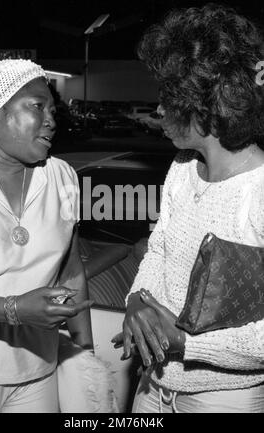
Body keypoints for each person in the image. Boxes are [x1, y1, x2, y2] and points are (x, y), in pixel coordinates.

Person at [112, 4, 264, 413]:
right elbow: (158, 247)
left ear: (206, 106)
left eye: (168, 97)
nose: (158, 109)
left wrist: (186, 342)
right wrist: (135, 300)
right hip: (153, 386)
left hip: (223, 401)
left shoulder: (259, 191)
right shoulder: (181, 169)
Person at [0, 58, 94, 412]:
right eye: (37, 107)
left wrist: (85, 352)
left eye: (53, 109)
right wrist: (14, 309)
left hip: (39, 370)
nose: (51, 120)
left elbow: (71, 271)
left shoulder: (62, 177)